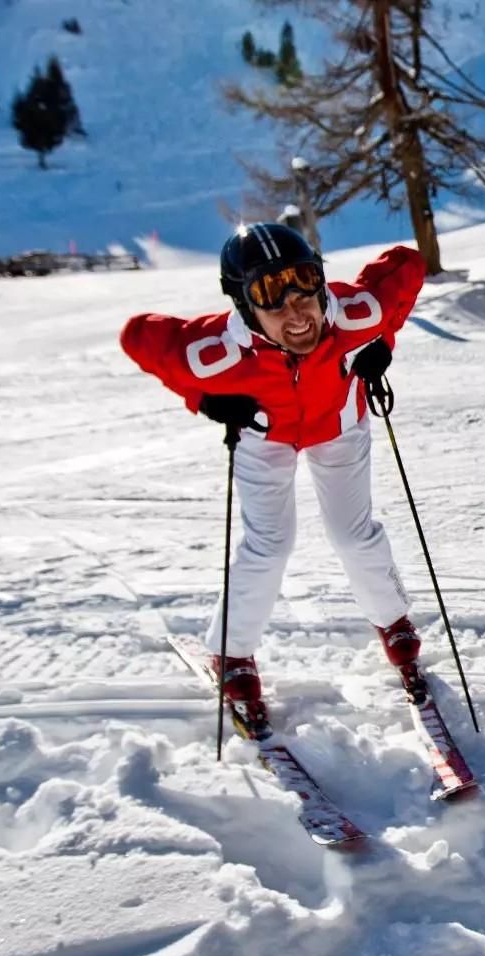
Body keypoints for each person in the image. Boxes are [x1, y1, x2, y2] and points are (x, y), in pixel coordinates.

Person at [121, 223, 428, 740]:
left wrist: (382, 343)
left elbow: (407, 264)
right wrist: (204, 398)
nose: (296, 312)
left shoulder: (357, 314)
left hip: (339, 426)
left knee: (353, 534)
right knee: (269, 544)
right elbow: (137, 337)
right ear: (244, 305)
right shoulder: (213, 351)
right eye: (271, 296)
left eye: (305, 286)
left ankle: (395, 623)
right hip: (265, 439)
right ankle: (232, 654)